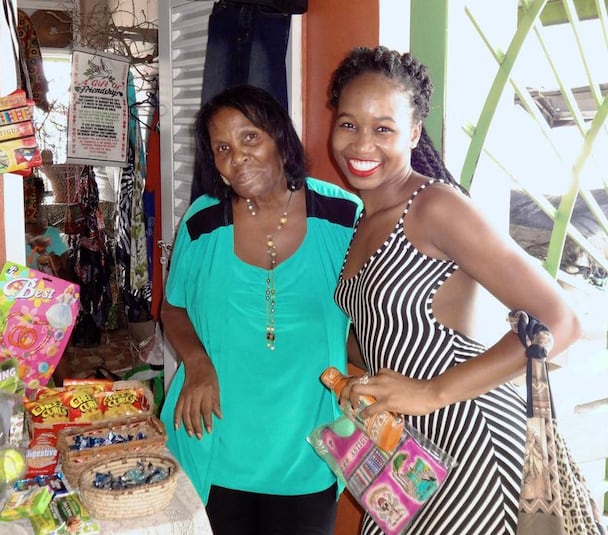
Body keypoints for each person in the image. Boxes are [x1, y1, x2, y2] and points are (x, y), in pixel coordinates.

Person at [329, 45, 581, 534]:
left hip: (471, 440)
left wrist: (430, 392)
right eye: (348, 123)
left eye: (384, 128)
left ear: (414, 133)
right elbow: (387, 333)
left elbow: (562, 321)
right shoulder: (363, 219)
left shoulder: (435, 207)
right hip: (413, 448)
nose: (362, 144)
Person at [160, 84, 362, 534]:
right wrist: (196, 365)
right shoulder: (203, 221)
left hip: (308, 443)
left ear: (279, 137)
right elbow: (172, 309)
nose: (238, 157)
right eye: (223, 148)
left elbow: (374, 313)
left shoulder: (344, 217)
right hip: (213, 436)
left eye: (250, 138)